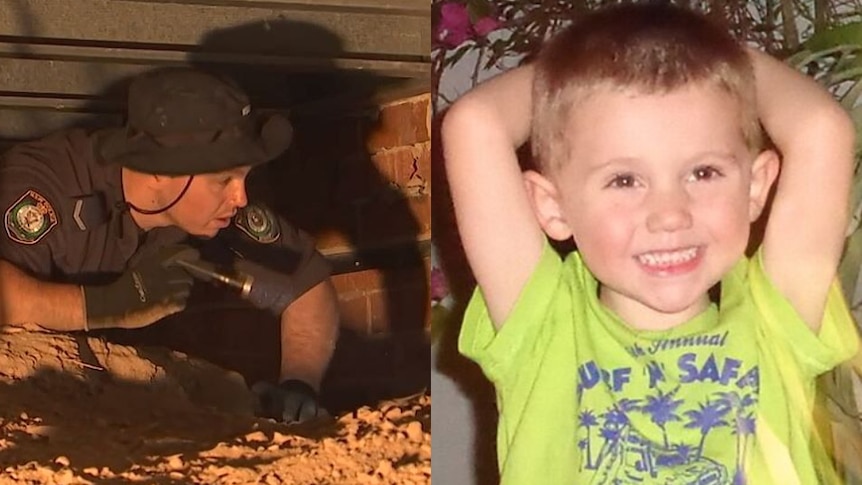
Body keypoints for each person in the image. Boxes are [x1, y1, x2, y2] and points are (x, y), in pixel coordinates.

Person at [442, 3, 859, 484]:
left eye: (703, 172)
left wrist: (713, 56)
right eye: (624, 180)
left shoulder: (775, 320)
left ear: (754, 187)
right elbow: (475, 125)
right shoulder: (543, 329)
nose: (669, 215)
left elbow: (822, 132)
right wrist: (588, 70)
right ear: (553, 206)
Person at [0, 67, 340, 424]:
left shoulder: (208, 213)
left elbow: (304, 284)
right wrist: (107, 305)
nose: (241, 197)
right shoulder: (44, 186)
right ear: (159, 172)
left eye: (244, 177)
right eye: (224, 179)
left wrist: (299, 384)